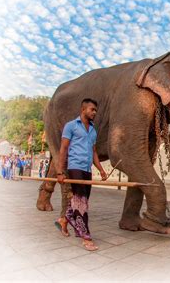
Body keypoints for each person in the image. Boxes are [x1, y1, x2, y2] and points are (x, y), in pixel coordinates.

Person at [56, 98, 108, 251]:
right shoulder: (71, 126)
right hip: (75, 168)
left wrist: (101, 169)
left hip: (87, 169)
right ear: (83, 109)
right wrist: (60, 171)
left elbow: (93, 152)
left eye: (95, 111)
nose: (94, 113)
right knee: (81, 203)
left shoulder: (93, 130)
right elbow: (63, 149)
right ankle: (85, 237)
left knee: (82, 201)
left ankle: (63, 220)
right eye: (92, 109)